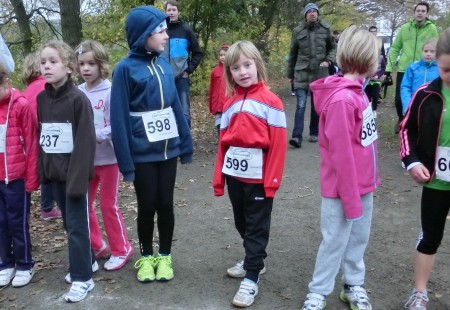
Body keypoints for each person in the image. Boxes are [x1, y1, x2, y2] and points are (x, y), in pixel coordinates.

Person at [110, 6, 193, 283]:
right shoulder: (123, 69)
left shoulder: (164, 64)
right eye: (160, 30)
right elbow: (118, 118)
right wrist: (126, 163)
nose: (166, 35)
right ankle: (146, 257)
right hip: (142, 152)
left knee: (166, 205)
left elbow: (175, 109)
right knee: (147, 205)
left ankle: (165, 256)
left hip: (167, 150)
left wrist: (186, 144)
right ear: (143, 34)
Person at [300, 26, 381, 310]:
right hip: (341, 190)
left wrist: (367, 185)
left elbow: (364, 142)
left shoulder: (359, 93)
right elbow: (341, 156)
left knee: (358, 239)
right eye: (378, 56)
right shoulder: (343, 100)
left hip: (363, 186)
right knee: (334, 240)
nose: (380, 61)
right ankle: (318, 292)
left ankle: (353, 285)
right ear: (366, 58)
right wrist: (350, 200)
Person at [213, 40, 287, 307]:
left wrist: (272, 182)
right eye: (235, 68)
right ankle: (254, 258)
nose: (243, 72)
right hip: (235, 175)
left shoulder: (272, 102)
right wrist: (219, 179)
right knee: (241, 221)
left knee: (256, 226)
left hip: (259, 178)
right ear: (229, 73)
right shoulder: (230, 103)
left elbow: (278, 146)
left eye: (247, 65)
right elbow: (223, 142)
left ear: (257, 65)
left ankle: (252, 277)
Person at [38, 40, 97, 302]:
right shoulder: (41, 99)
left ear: (69, 67)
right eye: (43, 62)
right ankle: (89, 261)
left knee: (76, 226)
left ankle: (83, 278)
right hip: (54, 175)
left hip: (74, 176)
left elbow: (85, 142)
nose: (47, 66)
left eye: (53, 61)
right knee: (68, 224)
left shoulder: (78, 100)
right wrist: (44, 174)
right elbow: (44, 138)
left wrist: (77, 180)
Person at [400, 27, 450, 310]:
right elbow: (406, 129)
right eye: (446, 70)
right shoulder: (424, 94)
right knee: (430, 235)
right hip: (436, 181)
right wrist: (413, 161)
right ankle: (419, 293)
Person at [75, 40, 134, 270]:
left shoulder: (111, 91)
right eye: (81, 64)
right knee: (84, 204)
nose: (86, 69)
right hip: (86, 161)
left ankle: (122, 249)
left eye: (91, 63)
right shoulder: (77, 92)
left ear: (101, 64)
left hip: (109, 160)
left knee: (108, 205)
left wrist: (96, 134)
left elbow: (118, 125)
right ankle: (98, 245)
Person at [0, 61, 39, 288]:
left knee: (17, 222)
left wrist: (31, 178)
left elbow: (32, 144)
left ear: (7, 82)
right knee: (1, 222)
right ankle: (6, 262)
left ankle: (25, 263)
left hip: (16, 178)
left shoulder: (21, 105)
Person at [287, 2, 336, 148]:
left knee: (316, 105)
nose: (312, 13)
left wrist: (328, 60)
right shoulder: (298, 31)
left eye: (315, 11)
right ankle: (297, 137)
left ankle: (314, 133)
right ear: (305, 15)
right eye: (309, 11)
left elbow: (333, 48)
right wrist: (290, 74)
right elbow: (293, 53)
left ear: (318, 14)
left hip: (319, 73)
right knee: (300, 105)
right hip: (301, 72)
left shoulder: (326, 29)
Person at [384, 1, 438, 133]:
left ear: (427, 13)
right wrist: (389, 67)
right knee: (399, 99)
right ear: (414, 13)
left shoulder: (432, 29)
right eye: (418, 10)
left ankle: (417, 123)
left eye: (423, 11)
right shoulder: (404, 28)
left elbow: (436, 47)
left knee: (421, 96)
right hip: (404, 68)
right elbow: (395, 48)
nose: (420, 13)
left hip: (422, 68)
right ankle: (402, 117)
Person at [21, 51, 61, 221]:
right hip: (49, 135)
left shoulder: (26, 92)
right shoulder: (46, 87)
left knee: (45, 172)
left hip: (32, 139)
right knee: (52, 173)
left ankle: (46, 207)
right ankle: (49, 206)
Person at [163, 0, 203, 128]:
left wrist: (188, 70)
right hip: (163, 78)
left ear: (178, 12)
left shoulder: (186, 30)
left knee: (184, 113)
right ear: (165, 12)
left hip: (181, 79)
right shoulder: (161, 29)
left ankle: (186, 144)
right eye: (169, 10)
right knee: (163, 111)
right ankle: (169, 143)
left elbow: (197, 53)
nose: (171, 12)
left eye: (174, 10)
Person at [400, 38, 439, 115]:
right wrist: (407, 106)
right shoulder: (413, 67)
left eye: (432, 51)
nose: (428, 54)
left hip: (433, 108)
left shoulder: (441, 69)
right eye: (426, 51)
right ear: (421, 52)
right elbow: (405, 87)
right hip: (414, 106)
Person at [208, 44, 230, 136]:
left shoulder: (233, 70)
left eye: (225, 55)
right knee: (220, 129)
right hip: (218, 106)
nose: (223, 57)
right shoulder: (215, 71)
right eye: (221, 55)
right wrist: (212, 105)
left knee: (229, 129)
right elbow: (212, 89)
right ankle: (222, 148)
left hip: (229, 106)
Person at [365, 29, 386, 119]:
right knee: (367, 95)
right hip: (368, 79)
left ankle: (374, 110)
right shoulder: (366, 57)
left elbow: (383, 67)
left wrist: (379, 75)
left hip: (377, 79)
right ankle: (368, 110)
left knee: (375, 94)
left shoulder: (381, 57)